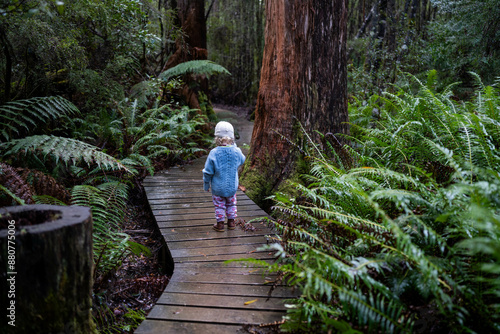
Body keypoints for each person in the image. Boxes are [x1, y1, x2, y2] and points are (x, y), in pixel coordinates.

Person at [203, 121, 246, 232]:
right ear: (232, 138)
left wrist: (206, 184)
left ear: (217, 138)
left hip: (217, 188)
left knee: (219, 205)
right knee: (231, 203)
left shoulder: (214, 152)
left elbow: (208, 171)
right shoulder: (236, 151)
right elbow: (242, 160)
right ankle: (231, 222)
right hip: (232, 187)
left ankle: (220, 224)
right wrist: (235, 147)